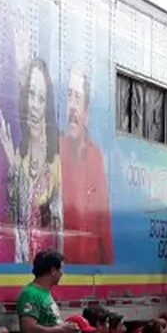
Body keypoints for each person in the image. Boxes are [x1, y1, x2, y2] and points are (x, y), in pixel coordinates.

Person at [0, 58, 61, 264]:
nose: (34, 105)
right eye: (31, 94)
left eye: (41, 98)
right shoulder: (20, 154)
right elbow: (14, 212)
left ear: (47, 106)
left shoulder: (55, 162)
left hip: (43, 262)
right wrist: (10, 159)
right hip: (21, 258)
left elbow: (56, 221)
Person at [60, 69, 114, 265]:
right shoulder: (57, 149)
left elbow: (104, 224)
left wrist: (108, 273)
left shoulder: (96, 157)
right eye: (69, 96)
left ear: (87, 113)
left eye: (77, 98)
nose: (72, 106)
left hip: (89, 269)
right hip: (59, 265)